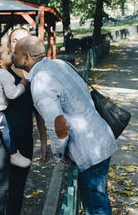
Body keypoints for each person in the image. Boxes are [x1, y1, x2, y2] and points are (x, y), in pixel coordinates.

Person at [12, 35, 118, 215]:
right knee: (100, 202)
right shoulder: (60, 64)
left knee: (96, 207)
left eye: (16, 53)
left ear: (27, 58)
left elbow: (57, 125)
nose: (12, 56)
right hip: (100, 137)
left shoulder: (40, 82)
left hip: (88, 150)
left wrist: (60, 152)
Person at [0, 28, 49, 215]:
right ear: (9, 46)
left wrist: (44, 142)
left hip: (23, 141)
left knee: (17, 193)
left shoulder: (36, 76)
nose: (18, 44)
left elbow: (39, 112)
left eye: (23, 40)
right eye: (14, 41)